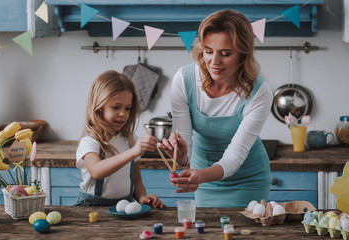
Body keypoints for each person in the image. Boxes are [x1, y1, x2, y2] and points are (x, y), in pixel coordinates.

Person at [158, 9, 273, 207]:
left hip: (248, 179)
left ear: (242, 55)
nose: (214, 62)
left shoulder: (260, 92)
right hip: (201, 176)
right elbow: (184, 141)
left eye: (226, 54)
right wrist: (182, 157)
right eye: (209, 51)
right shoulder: (184, 80)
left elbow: (235, 156)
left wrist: (201, 175)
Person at [74, 70, 165, 208]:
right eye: (116, 107)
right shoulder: (90, 141)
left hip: (125, 207)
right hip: (94, 208)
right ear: (99, 107)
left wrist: (142, 197)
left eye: (128, 108)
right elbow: (96, 170)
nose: (123, 113)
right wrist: (134, 152)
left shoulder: (129, 140)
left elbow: (137, 182)